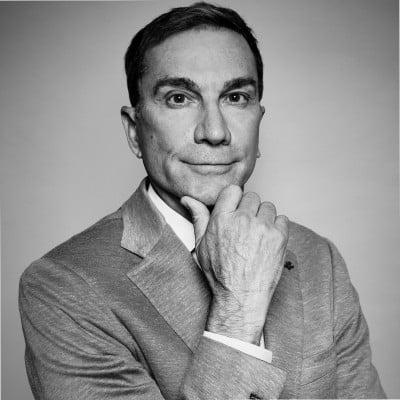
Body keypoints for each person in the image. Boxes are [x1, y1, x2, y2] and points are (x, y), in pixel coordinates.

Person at [19, 2, 386, 399]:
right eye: (179, 98)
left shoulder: (319, 259)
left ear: (258, 123)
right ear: (134, 131)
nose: (214, 131)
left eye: (236, 97)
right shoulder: (63, 287)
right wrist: (238, 312)